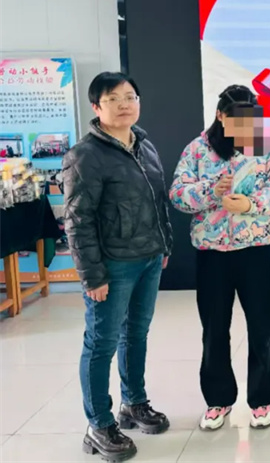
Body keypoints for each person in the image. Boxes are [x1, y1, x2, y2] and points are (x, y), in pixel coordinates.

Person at [63, 72, 173, 462]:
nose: (124, 104)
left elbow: (158, 201)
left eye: (130, 97)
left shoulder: (145, 145)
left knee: (136, 335)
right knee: (101, 343)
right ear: (96, 107)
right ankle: (99, 424)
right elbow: (77, 222)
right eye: (113, 98)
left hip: (148, 258)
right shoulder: (85, 155)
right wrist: (92, 275)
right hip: (112, 266)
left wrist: (164, 244)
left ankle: (134, 403)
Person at [169, 85, 270, 431]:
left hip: (255, 250)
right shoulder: (198, 149)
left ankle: (261, 400)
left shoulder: (265, 146)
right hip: (212, 253)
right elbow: (178, 194)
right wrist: (211, 191)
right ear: (220, 115)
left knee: (261, 327)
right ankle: (218, 399)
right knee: (214, 329)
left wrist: (252, 204)